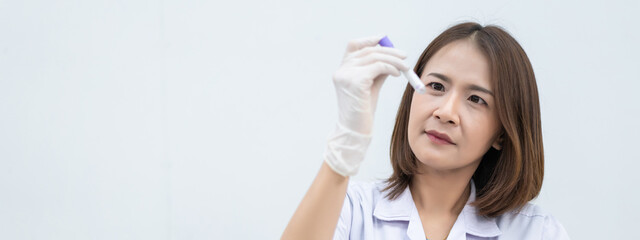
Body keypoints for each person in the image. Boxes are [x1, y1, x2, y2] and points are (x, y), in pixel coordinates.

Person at [281, 22, 570, 240]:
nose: (445, 112)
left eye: (476, 99)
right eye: (436, 86)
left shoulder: (535, 232)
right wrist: (346, 147)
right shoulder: (350, 210)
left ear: (502, 134)